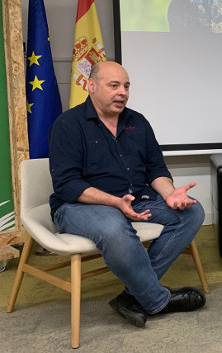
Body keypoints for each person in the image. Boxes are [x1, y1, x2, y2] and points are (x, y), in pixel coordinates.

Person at [48, 61, 206, 328]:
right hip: (79, 206)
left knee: (192, 212)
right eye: (114, 85)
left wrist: (168, 194)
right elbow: (67, 184)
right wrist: (114, 202)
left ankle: (132, 296)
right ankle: (157, 300)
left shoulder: (138, 122)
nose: (122, 92)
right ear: (91, 86)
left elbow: (156, 168)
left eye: (126, 86)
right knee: (113, 224)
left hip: (136, 200)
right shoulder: (68, 125)